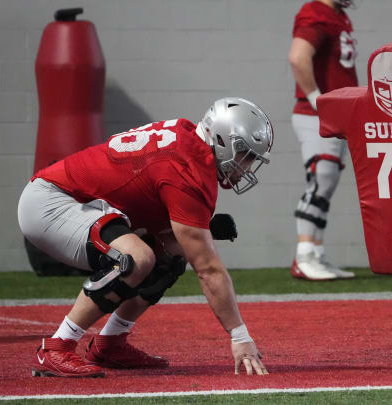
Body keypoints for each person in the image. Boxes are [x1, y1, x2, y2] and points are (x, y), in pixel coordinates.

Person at [18, 97, 272, 377]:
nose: (246, 167)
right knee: (135, 258)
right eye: (244, 155)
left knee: (172, 253)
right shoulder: (188, 168)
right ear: (222, 139)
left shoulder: (188, 140)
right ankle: (56, 347)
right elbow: (208, 270)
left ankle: (109, 343)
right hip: (51, 202)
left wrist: (201, 227)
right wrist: (239, 336)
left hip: (84, 204)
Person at [288, 0, 358, 281]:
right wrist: (318, 101)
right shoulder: (316, 13)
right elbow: (298, 57)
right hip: (316, 115)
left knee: (325, 185)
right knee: (320, 181)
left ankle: (316, 254)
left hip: (333, 116)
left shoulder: (337, 14)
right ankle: (303, 255)